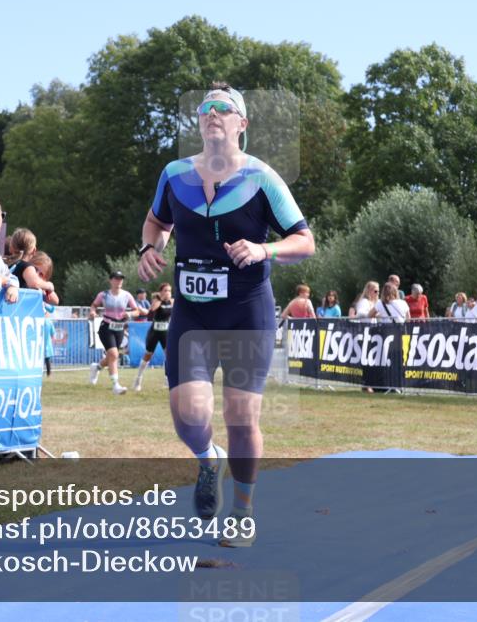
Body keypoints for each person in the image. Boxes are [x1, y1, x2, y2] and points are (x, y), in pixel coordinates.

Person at [136, 82, 315, 547]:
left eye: (224, 108)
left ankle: (243, 511)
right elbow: (157, 220)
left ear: (242, 124)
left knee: (241, 417)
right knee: (188, 416)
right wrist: (150, 247)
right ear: (199, 121)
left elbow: (305, 241)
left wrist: (264, 248)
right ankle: (206, 457)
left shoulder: (263, 178)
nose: (213, 113)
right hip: (192, 314)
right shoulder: (174, 174)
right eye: (205, 108)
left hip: (245, 311)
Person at [89, 270, 145, 395]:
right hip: (106, 327)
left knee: (111, 356)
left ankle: (96, 367)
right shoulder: (103, 295)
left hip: (119, 328)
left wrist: (130, 313)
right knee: (114, 354)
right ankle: (116, 385)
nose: (119, 281)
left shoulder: (127, 295)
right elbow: (94, 305)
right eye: (116, 278)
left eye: (121, 279)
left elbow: (137, 311)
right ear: (111, 280)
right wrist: (92, 312)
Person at [134, 282, 173, 392]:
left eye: (169, 291)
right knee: (148, 356)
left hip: (165, 331)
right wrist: (160, 298)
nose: (168, 293)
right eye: (165, 290)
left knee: (169, 355)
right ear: (161, 292)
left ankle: (168, 379)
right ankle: (138, 379)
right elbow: (153, 309)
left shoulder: (172, 301)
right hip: (154, 332)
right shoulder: (156, 301)